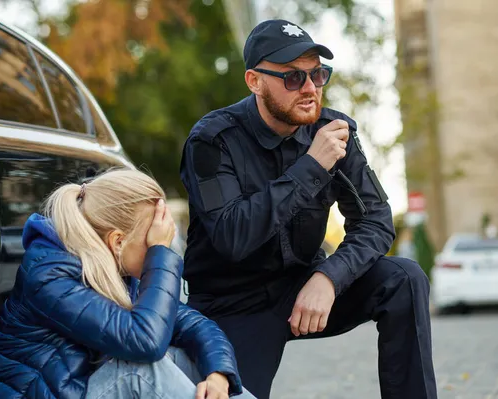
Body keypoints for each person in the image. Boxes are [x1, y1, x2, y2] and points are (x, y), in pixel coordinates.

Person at [180, 19, 438, 399]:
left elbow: (375, 220)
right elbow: (233, 237)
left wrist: (330, 277)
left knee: (403, 278)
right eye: (292, 78)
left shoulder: (335, 130)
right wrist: (312, 167)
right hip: (233, 303)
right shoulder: (212, 139)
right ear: (254, 81)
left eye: (318, 74)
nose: (310, 89)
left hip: (306, 287)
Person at [0, 169, 256, 399]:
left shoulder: (116, 269)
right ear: (117, 241)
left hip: (77, 388)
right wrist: (162, 258)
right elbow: (145, 342)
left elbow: (195, 326)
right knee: (138, 371)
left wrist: (218, 375)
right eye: (153, 240)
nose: (162, 245)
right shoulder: (49, 276)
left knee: (185, 357)